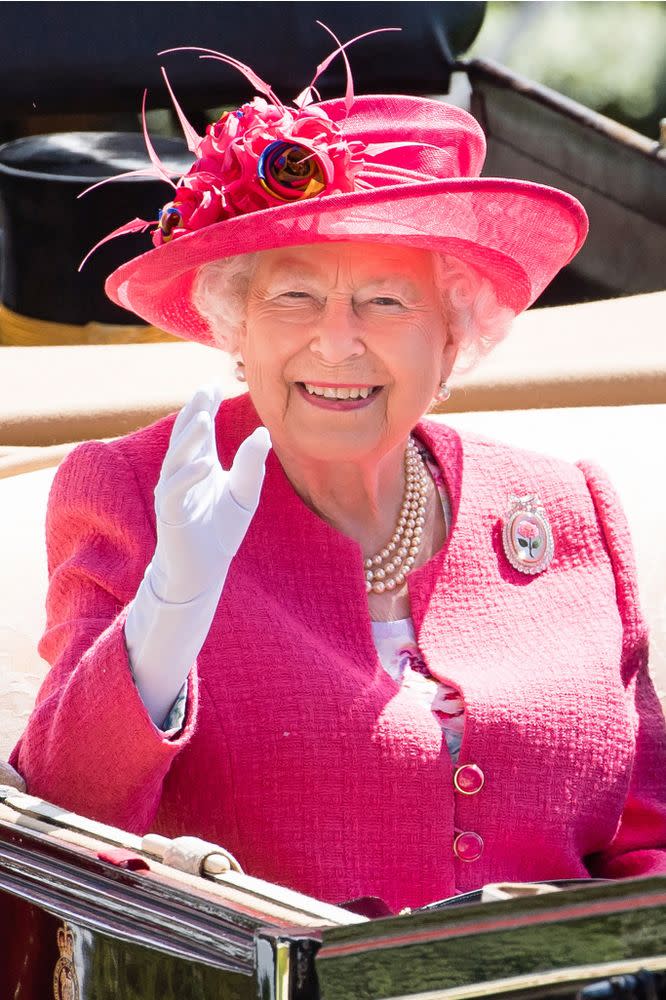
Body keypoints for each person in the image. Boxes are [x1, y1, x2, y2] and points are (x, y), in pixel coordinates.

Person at [11, 44, 666, 915]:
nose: (337, 340)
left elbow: (648, 837)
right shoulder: (134, 491)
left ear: (452, 338)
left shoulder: (564, 505)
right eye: (294, 297)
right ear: (235, 326)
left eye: (387, 301)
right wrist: (163, 619)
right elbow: (59, 831)